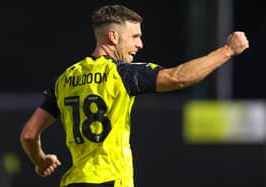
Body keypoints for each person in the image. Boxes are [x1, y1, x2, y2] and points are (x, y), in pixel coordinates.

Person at [20, 4, 249, 187]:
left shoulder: (64, 80)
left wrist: (40, 161)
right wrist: (227, 50)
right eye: (135, 36)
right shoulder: (121, 74)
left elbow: (29, 134)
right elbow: (179, 77)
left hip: (74, 181)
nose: (140, 44)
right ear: (113, 36)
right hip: (111, 179)